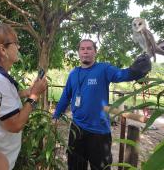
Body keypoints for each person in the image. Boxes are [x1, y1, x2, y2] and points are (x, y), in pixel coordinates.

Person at [53, 39, 151, 170]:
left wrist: (136, 71)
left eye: (89, 48)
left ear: (95, 52)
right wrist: (56, 115)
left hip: (99, 132)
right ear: (78, 52)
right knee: (75, 166)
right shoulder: (73, 74)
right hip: (76, 128)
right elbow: (65, 96)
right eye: (82, 49)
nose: (85, 51)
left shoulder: (104, 69)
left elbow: (122, 74)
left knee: (101, 168)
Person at [0, 24, 47, 170]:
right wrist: (34, 96)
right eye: (15, 43)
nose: (18, 47)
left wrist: (25, 92)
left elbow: (0, 102)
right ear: (3, 50)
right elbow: (15, 124)